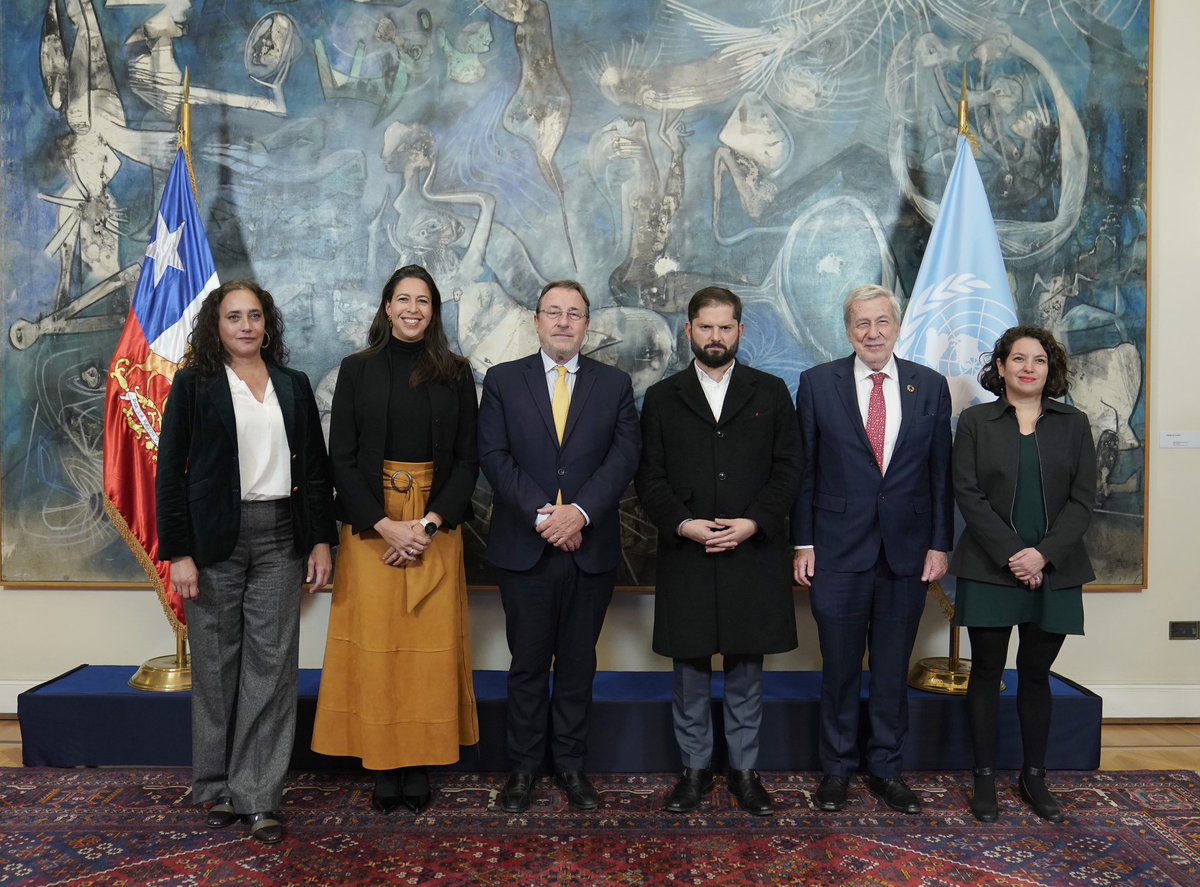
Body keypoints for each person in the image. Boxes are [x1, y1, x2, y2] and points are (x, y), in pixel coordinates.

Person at [156, 280, 337, 844]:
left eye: (255, 316)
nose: (245, 326)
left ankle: (259, 796)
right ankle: (216, 787)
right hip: (215, 542)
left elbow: (314, 470)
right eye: (234, 317)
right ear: (217, 326)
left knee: (273, 666)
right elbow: (170, 475)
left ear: (267, 324)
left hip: (282, 536)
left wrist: (321, 540)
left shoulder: (293, 384)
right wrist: (179, 552)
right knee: (215, 665)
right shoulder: (193, 385)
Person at [311, 265, 480, 814]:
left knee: (427, 653)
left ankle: (421, 761)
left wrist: (427, 525)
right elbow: (340, 459)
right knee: (379, 648)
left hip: (435, 526)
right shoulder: (356, 370)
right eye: (403, 299)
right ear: (386, 307)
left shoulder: (456, 373)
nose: (413, 309)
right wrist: (384, 525)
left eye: (424, 301)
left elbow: (468, 460)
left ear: (434, 311)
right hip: (371, 526)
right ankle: (384, 764)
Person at [636, 286, 802, 816]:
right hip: (687, 550)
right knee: (688, 671)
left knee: (746, 670)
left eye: (725, 327)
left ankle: (745, 773)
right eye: (705, 327)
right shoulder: (662, 397)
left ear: (740, 332)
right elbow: (649, 477)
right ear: (689, 331)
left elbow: (788, 469)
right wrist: (683, 524)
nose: (715, 337)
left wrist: (754, 522)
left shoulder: (771, 391)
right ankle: (694, 771)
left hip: (751, 551)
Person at [478, 279, 640, 813]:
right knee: (526, 664)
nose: (564, 322)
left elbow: (623, 458)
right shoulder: (503, 381)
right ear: (537, 321)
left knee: (577, 664)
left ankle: (571, 767)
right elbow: (495, 457)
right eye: (554, 312)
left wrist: (580, 514)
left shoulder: (614, 384)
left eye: (574, 313)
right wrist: (547, 515)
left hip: (589, 547)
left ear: (587, 324)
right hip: (526, 549)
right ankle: (523, 770)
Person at [792, 283, 953, 815]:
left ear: (898, 325)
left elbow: (940, 475)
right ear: (847, 330)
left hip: (906, 553)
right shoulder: (817, 384)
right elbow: (805, 471)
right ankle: (836, 771)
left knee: (890, 668)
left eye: (882, 322)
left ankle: (886, 769)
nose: (873, 332)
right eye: (861, 324)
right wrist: (803, 542)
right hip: (836, 552)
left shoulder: (929, 387)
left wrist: (939, 544)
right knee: (838, 668)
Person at [951, 325, 1096, 823]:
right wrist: (1015, 553)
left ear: (1049, 369)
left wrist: (1042, 556)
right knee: (987, 673)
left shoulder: (1074, 424)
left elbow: (1083, 501)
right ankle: (985, 776)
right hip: (991, 568)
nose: (1028, 367)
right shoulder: (975, 422)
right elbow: (967, 494)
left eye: (1038, 359)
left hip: (1055, 570)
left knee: (1036, 674)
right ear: (1001, 367)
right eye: (1018, 359)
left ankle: (1034, 775)